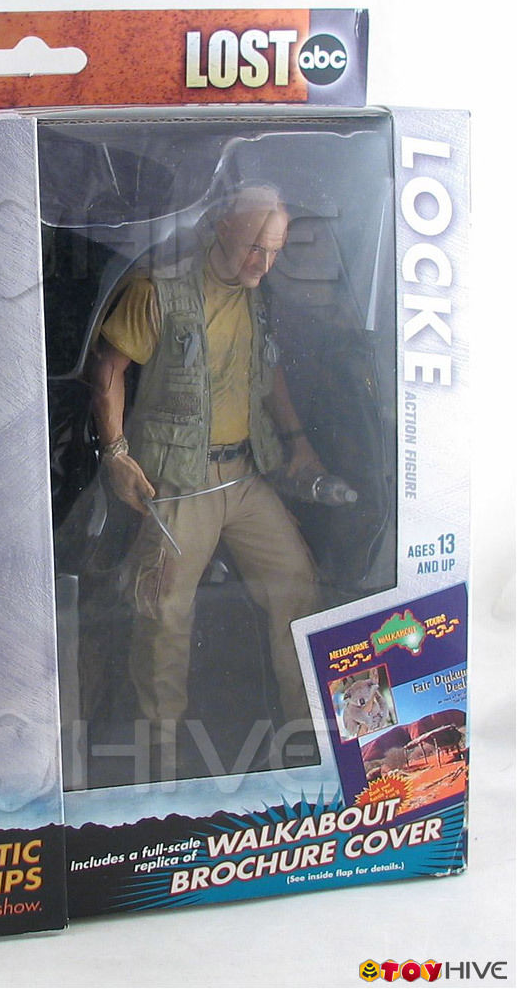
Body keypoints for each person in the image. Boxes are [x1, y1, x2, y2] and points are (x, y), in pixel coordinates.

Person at [91, 183, 321, 770]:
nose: (263, 264)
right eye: (254, 248)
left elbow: (269, 373)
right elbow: (109, 368)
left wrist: (298, 442)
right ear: (222, 228)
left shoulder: (255, 297)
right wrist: (115, 453)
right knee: (165, 609)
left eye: (274, 252)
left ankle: (311, 732)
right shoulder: (159, 289)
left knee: (295, 581)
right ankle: (159, 750)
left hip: (243, 475)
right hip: (182, 479)